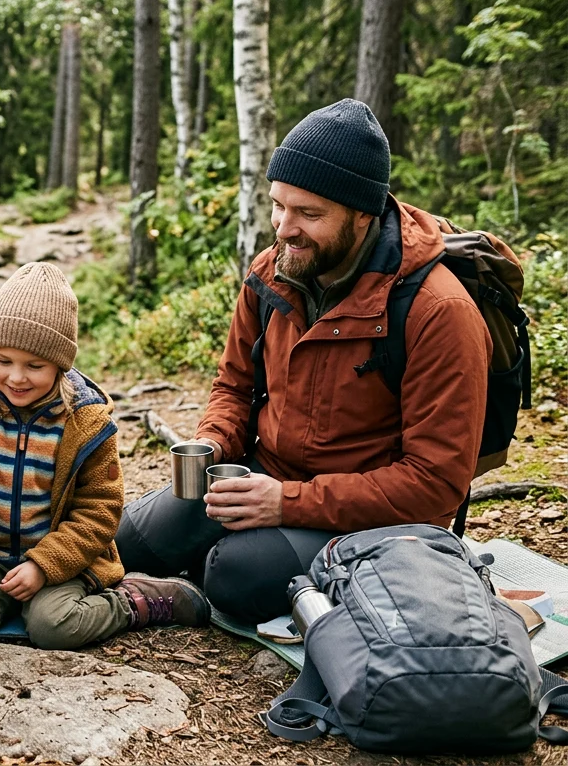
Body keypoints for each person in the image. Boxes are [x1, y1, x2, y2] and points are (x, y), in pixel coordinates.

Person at [115, 99, 493, 624]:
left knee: (234, 575)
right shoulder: (272, 274)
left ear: (363, 214)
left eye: (309, 214)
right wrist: (215, 442)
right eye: (278, 205)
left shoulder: (438, 310)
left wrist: (287, 502)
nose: (284, 228)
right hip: (267, 476)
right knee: (125, 542)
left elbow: (434, 485)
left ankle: (207, 581)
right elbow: (234, 386)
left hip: (373, 518)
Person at [0, 263, 210, 649]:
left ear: (60, 366)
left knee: (53, 627)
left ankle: (133, 601)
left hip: (62, 561)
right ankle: (1, 600)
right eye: (4, 361)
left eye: (34, 366)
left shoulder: (87, 424)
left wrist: (43, 566)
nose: (16, 377)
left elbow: (99, 514)